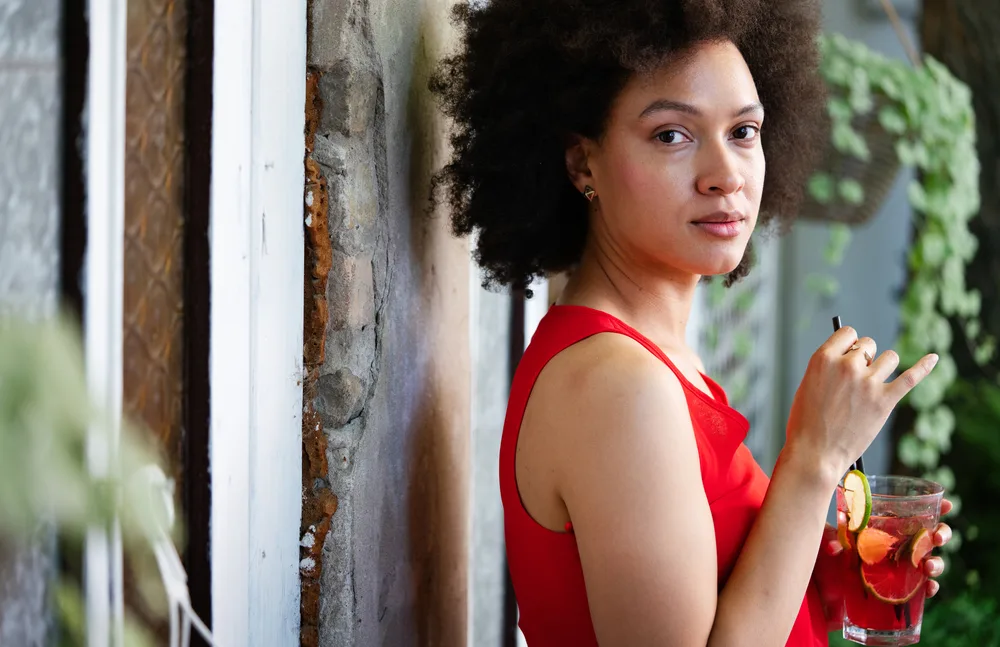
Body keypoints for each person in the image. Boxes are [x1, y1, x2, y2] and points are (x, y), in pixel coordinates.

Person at [430, 1, 952, 645]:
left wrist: (826, 574)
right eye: (672, 134)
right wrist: (817, 458)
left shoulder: (653, 358)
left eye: (744, 132)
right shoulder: (618, 386)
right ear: (581, 164)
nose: (726, 175)